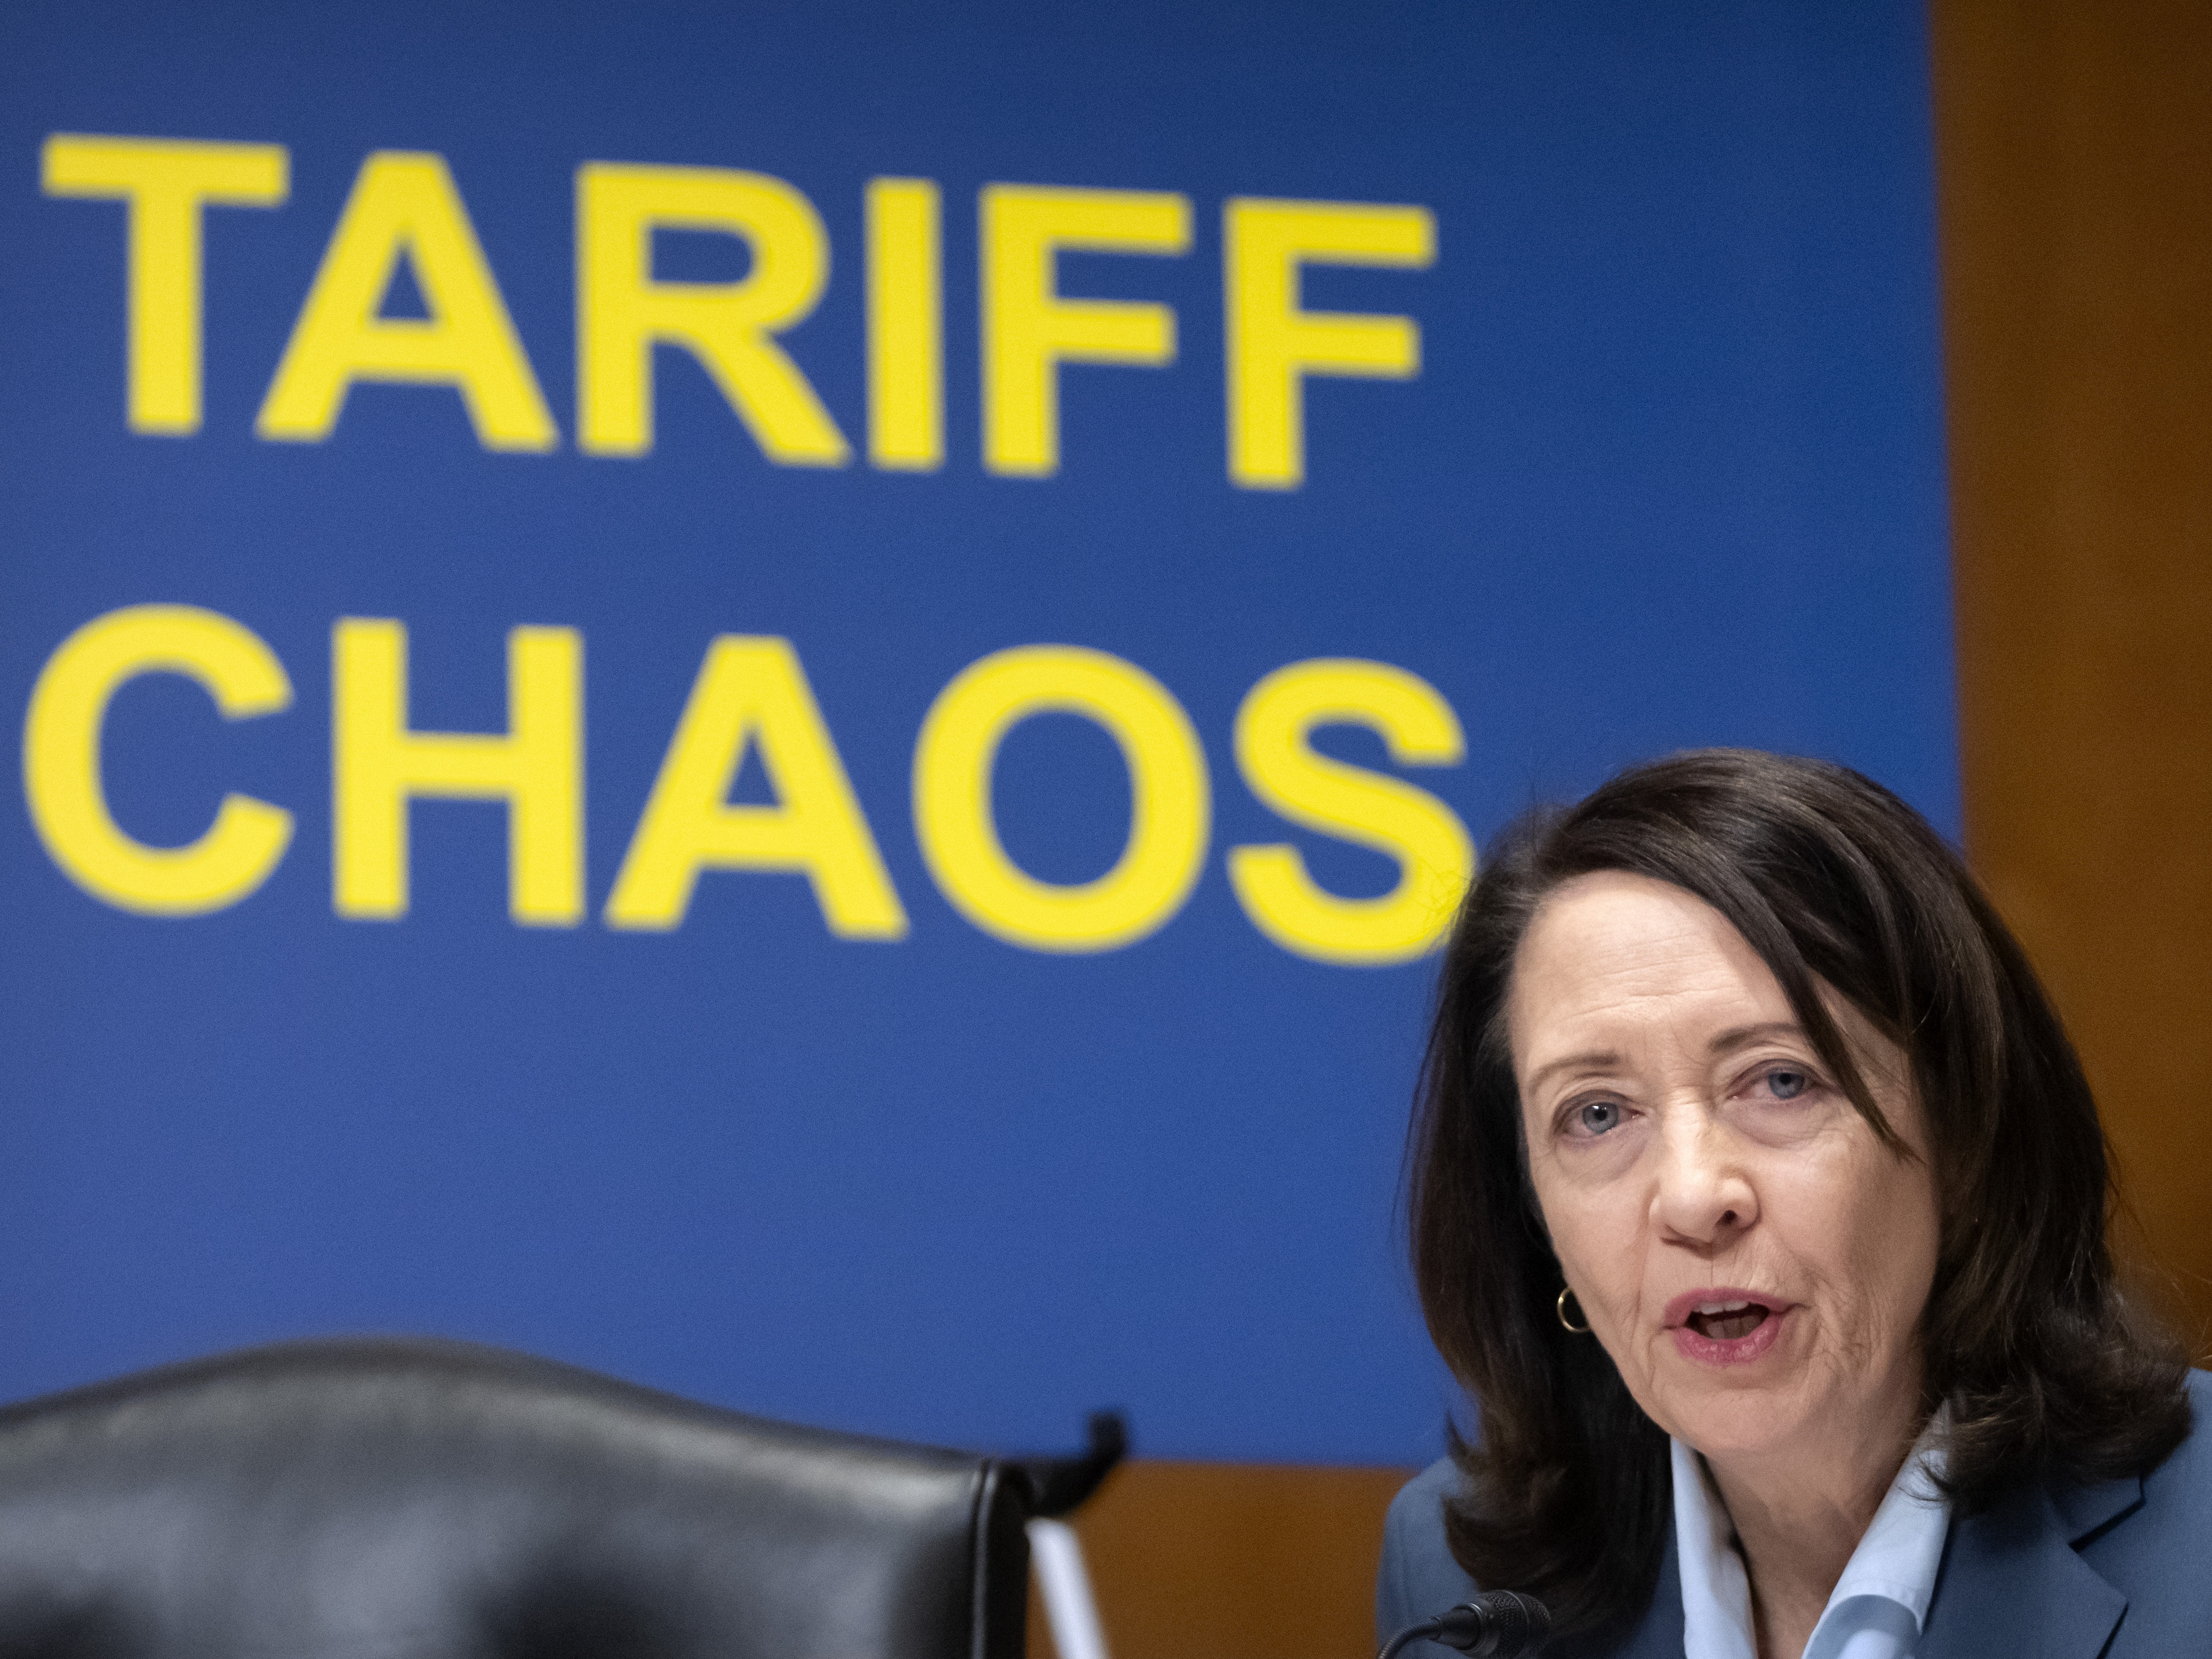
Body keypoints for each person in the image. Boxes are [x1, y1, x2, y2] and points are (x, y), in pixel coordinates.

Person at [1375, 750, 2210, 1659]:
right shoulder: (1464, 1582)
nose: (1695, 1196)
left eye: (1780, 1081)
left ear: (1964, 1139)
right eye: (1599, 1113)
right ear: (1532, 1207)